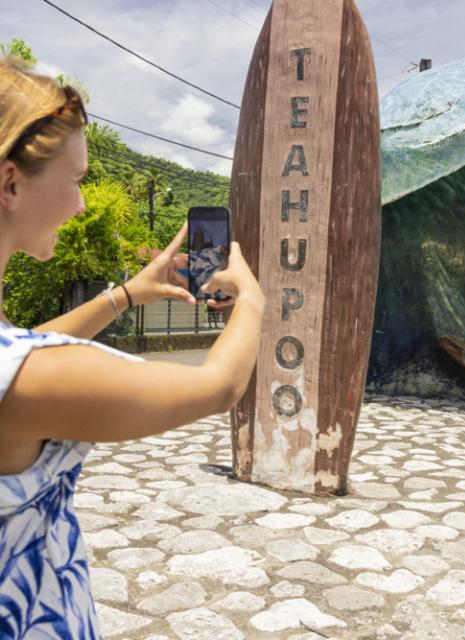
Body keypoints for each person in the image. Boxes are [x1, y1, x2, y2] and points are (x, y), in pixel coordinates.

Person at [0, 58, 264, 638]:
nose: (82, 205)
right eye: (76, 180)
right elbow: (216, 386)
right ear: (10, 183)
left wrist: (126, 295)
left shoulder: (17, 366)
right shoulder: (23, 378)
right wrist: (253, 300)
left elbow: (27, 348)